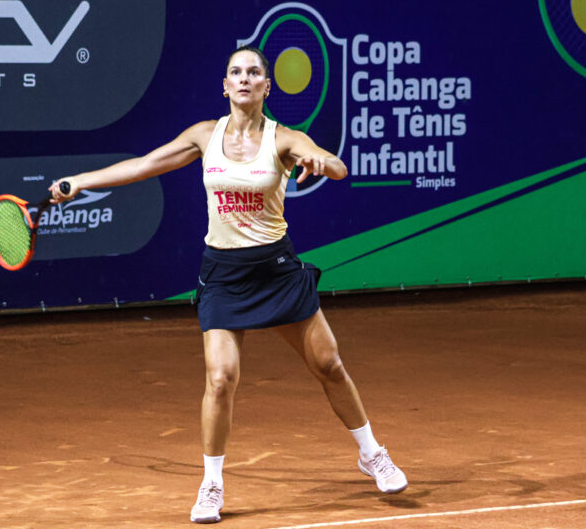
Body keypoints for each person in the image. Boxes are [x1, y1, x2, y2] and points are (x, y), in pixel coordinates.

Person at [49, 46, 407, 524]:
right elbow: (144, 165)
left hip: (275, 270)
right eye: (235, 72)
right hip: (223, 274)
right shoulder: (204, 136)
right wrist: (81, 180)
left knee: (330, 364)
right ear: (225, 85)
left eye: (253, 72)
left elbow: (335, 165)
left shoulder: (284, 139)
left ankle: (371, 453)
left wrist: (321, 162)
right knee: (220, 380)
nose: (244, 78)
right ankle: (212, 484)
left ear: (266, 86)